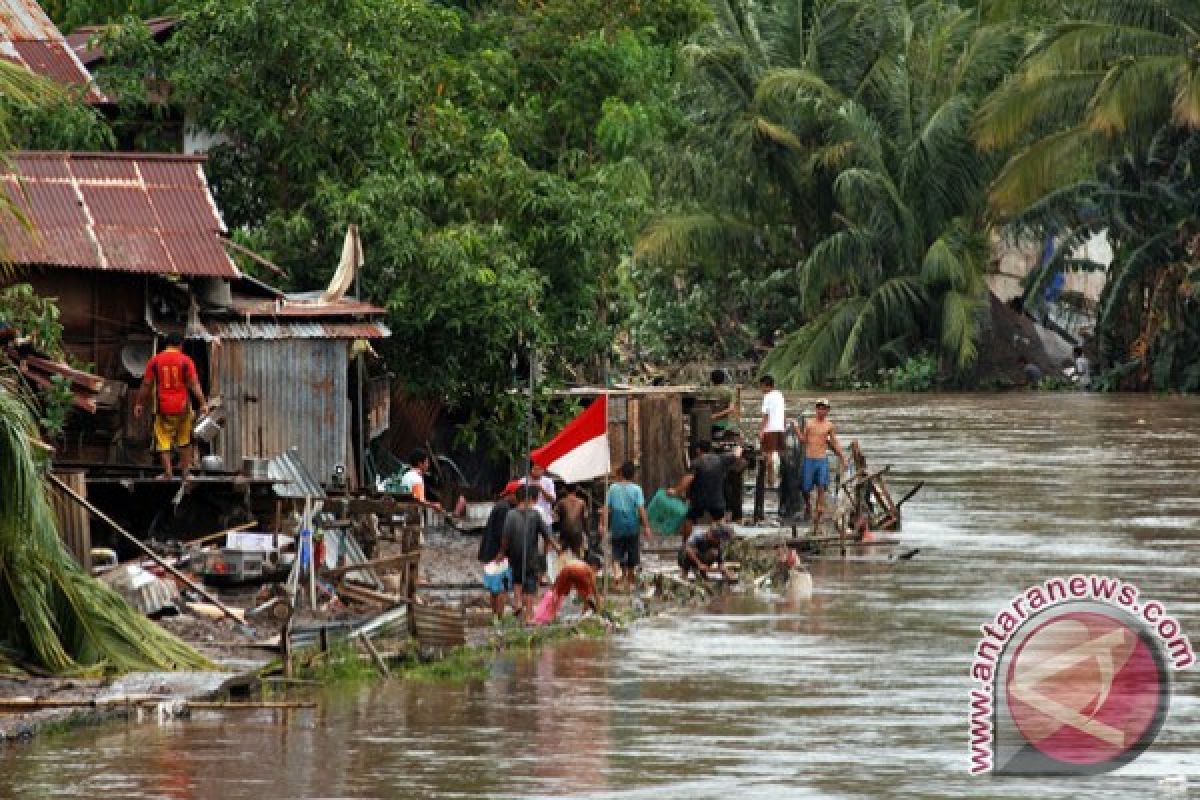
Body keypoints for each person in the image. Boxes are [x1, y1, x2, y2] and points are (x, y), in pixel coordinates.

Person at [133, 333, 208, 480]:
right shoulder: (186, 361)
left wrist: (139, 403)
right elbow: (194, 384)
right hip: (183, 408)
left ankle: (168, 473)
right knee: (185, 440)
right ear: (180, 345)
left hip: (163, 408)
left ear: (166, 344)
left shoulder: (155, 361)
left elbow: (146, 384)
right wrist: (203, 403)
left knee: (163, 440)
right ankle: (186, 474)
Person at [504, 485, 561, 622]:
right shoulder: (535, 515)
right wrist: (557, 546)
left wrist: (503, 552)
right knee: (530, 585)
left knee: (517, 579)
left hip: (515, 553)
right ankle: (529, 616)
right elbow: (546, 534)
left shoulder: (510, 514)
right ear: (530, 498)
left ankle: (517, 602)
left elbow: (506, 536)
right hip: (530, 555)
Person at [671, 441, 744, 541]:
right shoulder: (721, 459)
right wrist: (740, 446)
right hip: (716, 499)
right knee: (720, 522)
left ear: (698, 450)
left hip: (698, 499)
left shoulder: (696, 462)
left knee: (689, 519)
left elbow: (688, 479)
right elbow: (737, 454)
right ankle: (724, 543)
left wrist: (676, 491)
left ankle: (685, 543)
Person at [599, 461, 651, 592]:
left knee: (617, 552)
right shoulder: (636, 489)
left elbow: (605, 508)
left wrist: (601, 524)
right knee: (632, 554)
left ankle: (617, 572)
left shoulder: (612, 488)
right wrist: (646, 526)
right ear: (633, 475)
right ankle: (630, 583)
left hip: (617, 524)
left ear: (621, 473)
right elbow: (641, 509)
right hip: (632, 526)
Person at [799, 399, 847, 534]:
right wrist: (796, 429)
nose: (822, 411)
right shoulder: (809, 424)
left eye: (824, 408)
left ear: (827, 411)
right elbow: (803, 440)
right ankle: (808, 505)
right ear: (816, 409)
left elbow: (834, 442)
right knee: (805, 488)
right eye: (820, 408)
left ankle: (819, 509)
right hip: (809, 459)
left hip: (821, 459)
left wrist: (842, 456)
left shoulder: (829, 426)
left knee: (821, 485)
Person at [479, 480, 520, 619]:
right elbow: (503, 533)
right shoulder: (505, 509)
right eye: (519, 495)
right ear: (512, 494)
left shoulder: (501, 506)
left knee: (494, 588)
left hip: (490, 552)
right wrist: (503, 552)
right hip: (498, 554)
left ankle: (495, 617)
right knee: (501, 588)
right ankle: (499, 618)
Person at [534, 553, 602, 625]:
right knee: (587, 595)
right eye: (597, 570)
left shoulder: (580, 563)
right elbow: (595, 592)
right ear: (594, 566)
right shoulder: (589, 571)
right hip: (577, 570)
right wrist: (598, 606)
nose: (596, 573)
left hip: (568, 567)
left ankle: (547, 616)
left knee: (557, 591)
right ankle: (585, 614)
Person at [758, 374, 786, 487]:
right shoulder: (780, 395)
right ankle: (783, 477)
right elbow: (784, 413)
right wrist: (784, 426)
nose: (761, 389)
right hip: (780, 428)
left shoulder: (767, 396)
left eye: (761, 386)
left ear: (766, 386)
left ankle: (770, 480)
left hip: (770, 429)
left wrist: (761, 430)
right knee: (781, 454)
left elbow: (766, 416)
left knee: (768, 455)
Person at [554, 483, 590, 558]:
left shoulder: (561, 502)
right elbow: (585, 518)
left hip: (565, 531)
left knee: (561, 552)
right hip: (577, 531)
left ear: (565, 490)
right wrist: (587, 532)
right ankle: (577, 568)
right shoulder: (582, 502)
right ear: (576, 490)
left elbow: (555, 517)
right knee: (577, 554)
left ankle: (562, 568)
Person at [521, 463, 556, 528]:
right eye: (535, 469)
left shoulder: (548, 481)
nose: (537, 471)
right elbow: (519, 499)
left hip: (545, 519)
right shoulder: (523, 481)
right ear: (531, 469)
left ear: (543, 470)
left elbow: (553, 500)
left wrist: (541, 489)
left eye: (539, 469)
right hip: (527, 518)